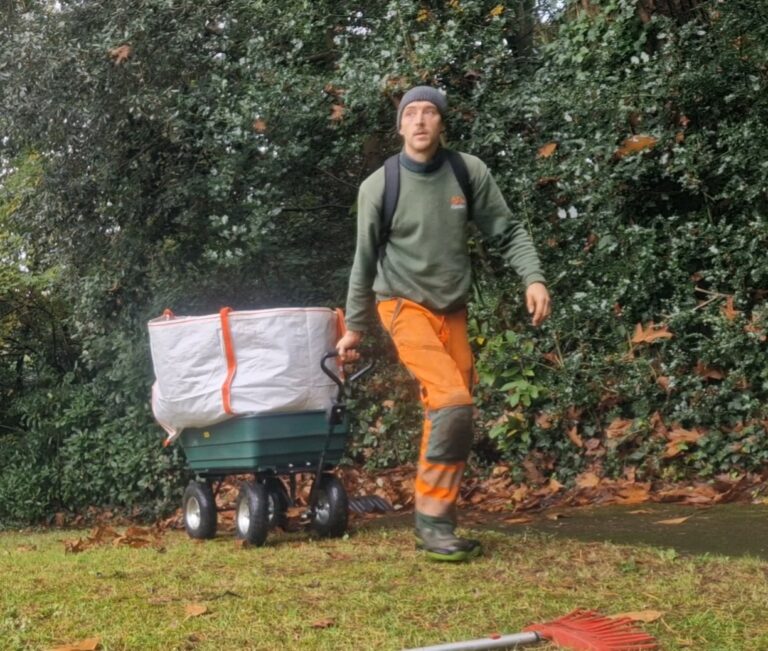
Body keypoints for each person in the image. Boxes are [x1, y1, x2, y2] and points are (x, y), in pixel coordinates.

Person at [336, 86, 551, 562]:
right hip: (400, 305)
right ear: (400, 127)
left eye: (429, 112)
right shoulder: (379, 185)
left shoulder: (466, 172)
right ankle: (432, 525)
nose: (419, 121)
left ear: (441, 123)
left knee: (454, 412)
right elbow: (364, 260)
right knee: (452, 402)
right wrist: (354, 327)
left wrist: (533, 278)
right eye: (410, 114)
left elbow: (509, 229)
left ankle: (437, 519)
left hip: (451, 309)